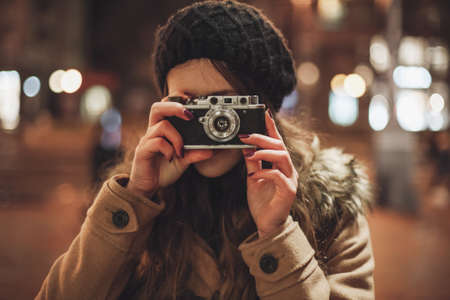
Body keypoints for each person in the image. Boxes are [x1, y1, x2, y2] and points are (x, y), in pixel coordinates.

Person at [36, 1, 374, 299]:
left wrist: (278, 234)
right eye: (191, 107)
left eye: (228, 106)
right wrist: (135, 200)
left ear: (264, 110)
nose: (215, 125)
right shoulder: (132, 200)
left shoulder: (331, 204)